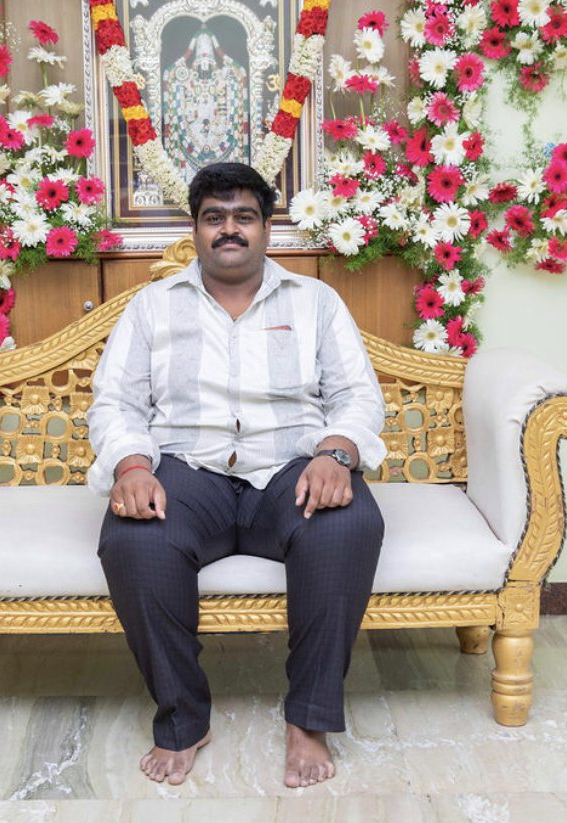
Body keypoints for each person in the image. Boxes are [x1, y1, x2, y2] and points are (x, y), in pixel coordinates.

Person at [87, 163, 387, 788]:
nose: (230, 229)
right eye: (214, 217)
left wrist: (335, 452)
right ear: (195, 230)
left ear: (266, 229)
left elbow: (357, 396)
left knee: (348, 524)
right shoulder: (152, 306)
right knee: (133, 539)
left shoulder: (315, 302)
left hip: (290, 470)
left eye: (244, 216)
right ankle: (183, 718)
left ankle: (308, 720)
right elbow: (116, 402)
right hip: (187, 472)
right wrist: (132, 465)